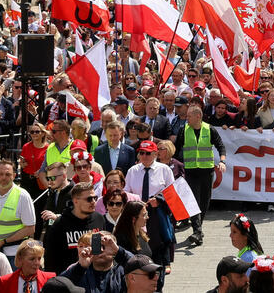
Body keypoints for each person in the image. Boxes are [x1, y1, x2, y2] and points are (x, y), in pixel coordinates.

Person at [176, 103, 226, 247]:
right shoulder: (183, 130)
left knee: (204, 202)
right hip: (191, 171)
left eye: (189, 116)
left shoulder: (209, 129)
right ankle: (197, 231)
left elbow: (221, 146)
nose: (187, 119)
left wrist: (222, 161)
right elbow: (176, 149)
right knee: (193, 201)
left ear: (198, 116)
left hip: (207, 171)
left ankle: (198, 231)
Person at [124, 140, 175, 274]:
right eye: (141, 153)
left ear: (155, 154)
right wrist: (136, 201)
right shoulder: (132, 171)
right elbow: (126, 191)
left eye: (148, 153)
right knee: (140, 238)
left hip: (156, 210)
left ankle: (162, 263)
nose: (144, 156)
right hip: (138, 211)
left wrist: (159, 200)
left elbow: (172, 191)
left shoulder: (164, 169)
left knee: (159, 238)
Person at [43, 182, 106, 275]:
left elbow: (103, 250)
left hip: (95, 276)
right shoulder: (60, 224)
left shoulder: (99, 219)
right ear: (75, 201)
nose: (93, 202)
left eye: (95, 198)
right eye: (89, 199)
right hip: (69, 278)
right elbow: (50, 259)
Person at [59, 232, 132, 293]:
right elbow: (57, 285)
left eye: (105, 246)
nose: (101, 250)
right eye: (97, 245)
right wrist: (80, 267)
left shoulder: (122, 271)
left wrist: (120, 252)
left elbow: (137, 265)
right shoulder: (80, 271)